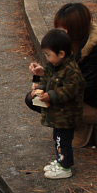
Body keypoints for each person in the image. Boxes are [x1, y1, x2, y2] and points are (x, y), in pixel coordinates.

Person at [28, 2, 97, 147]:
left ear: (74, 30)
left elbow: (80, 89)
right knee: (31, 99)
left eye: (62, 29)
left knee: (48, 101)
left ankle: (78, 125)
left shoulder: (94, 56)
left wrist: (51, 94)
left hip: (94, 105)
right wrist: (42, 74)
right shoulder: (68, 45)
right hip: (74, 95)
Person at [28, 28, 85, 180]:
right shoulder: (54, 66)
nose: (47, 58)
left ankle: (65, 166)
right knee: (57, 138)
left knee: (63, 140)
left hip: (66, 115)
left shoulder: (72, 71)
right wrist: (39, 88)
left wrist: (50, 96)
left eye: (48, 55)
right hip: (58, 114)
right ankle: (60, 161)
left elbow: (68, 91)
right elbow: (46, 80)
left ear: (61, 54)